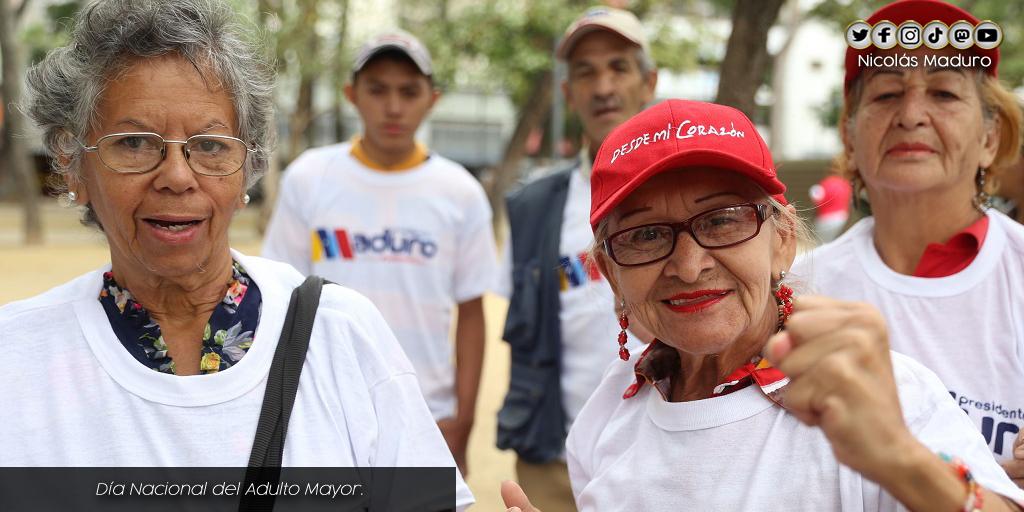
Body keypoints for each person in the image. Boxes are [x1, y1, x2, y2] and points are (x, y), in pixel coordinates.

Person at [0, 1, 472, 509]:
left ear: (248, 166)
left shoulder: (341, 333)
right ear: (74, 167)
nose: (176, 177)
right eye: (134, 142)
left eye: (210, 145)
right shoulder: (16, 356)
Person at [502, 99, 1024, 512]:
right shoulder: (605, 415)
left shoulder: (879, 394)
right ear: (611, 272)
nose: (689, 265)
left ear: (783, 240)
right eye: (646, 235)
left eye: (721, 220)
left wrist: (902, 459)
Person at [789, 0, 1024, 482]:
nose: (912, 115)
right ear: (849, 137)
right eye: (887, 94)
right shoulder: (796, 293)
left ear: (990, 138)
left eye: (944, 93)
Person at [261, 29, 497, 475]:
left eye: (409, 92)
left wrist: (463, 422)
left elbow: (471, 312)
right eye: (377, 90)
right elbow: (280, 300)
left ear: (432, 99)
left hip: (426, 414)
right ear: (351, 94)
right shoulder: (309, 178)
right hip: (325, 410)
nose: (393, 107)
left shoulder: (461, 192)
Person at [495, 7, 657, 510]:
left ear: (649, 82)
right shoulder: (534, 208)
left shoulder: (688, 195)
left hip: (665, 455)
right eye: (586, 73)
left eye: (618, 67)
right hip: (555, 460)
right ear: (568, 93)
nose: (603, 86)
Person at [809, 174, 853, 242]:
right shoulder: (845, 184)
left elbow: (816, 199)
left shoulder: (824, 184)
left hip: (825, 220)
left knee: (822, 243)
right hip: (842, 217)